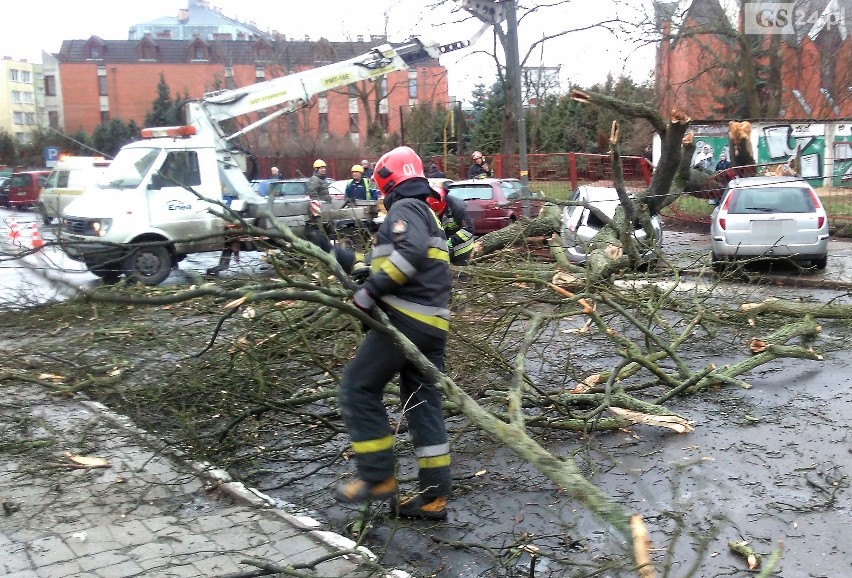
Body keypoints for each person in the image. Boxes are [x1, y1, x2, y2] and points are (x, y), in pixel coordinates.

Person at [334, 145, 453, 521]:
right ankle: (434, 497)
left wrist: (369, 293)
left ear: (387, 182)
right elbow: (398, 260)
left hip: (407, 320)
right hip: (433, 324)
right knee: (422, 405)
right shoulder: (425, 212)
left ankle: (378, 477)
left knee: (357, 386)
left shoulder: (406, 209)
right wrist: (362, 268)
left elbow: (411, 253)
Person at [427, 186, 475, 265]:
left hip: (462, 247)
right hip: (444, 245)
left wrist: (449, 242)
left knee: (460, 274)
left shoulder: (458, 208)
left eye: (437, 212)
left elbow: (468, 230)